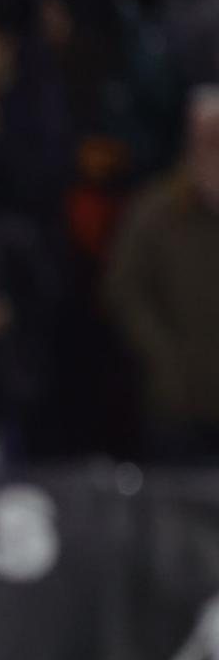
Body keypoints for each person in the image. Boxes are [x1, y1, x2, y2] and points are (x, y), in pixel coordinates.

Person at [107, 87, 219, 460]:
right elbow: (123, 291)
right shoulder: (157, 213)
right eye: (207, 140)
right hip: (178, 407)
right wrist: (165, 359)